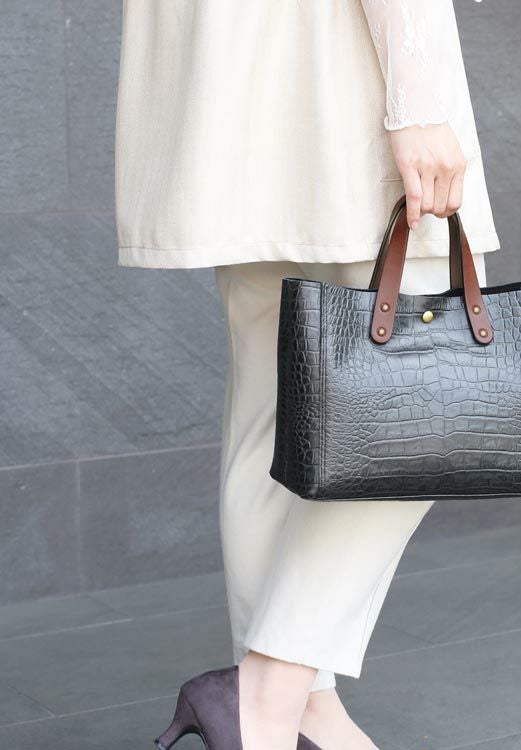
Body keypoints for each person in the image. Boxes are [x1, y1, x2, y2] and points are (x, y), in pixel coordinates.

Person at [114, 1, 500, 748]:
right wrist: (418, 103)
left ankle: (304, 714)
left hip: (221, 76)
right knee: (435, 396)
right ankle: (267, 691)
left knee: (271, 404)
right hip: (337, 67)